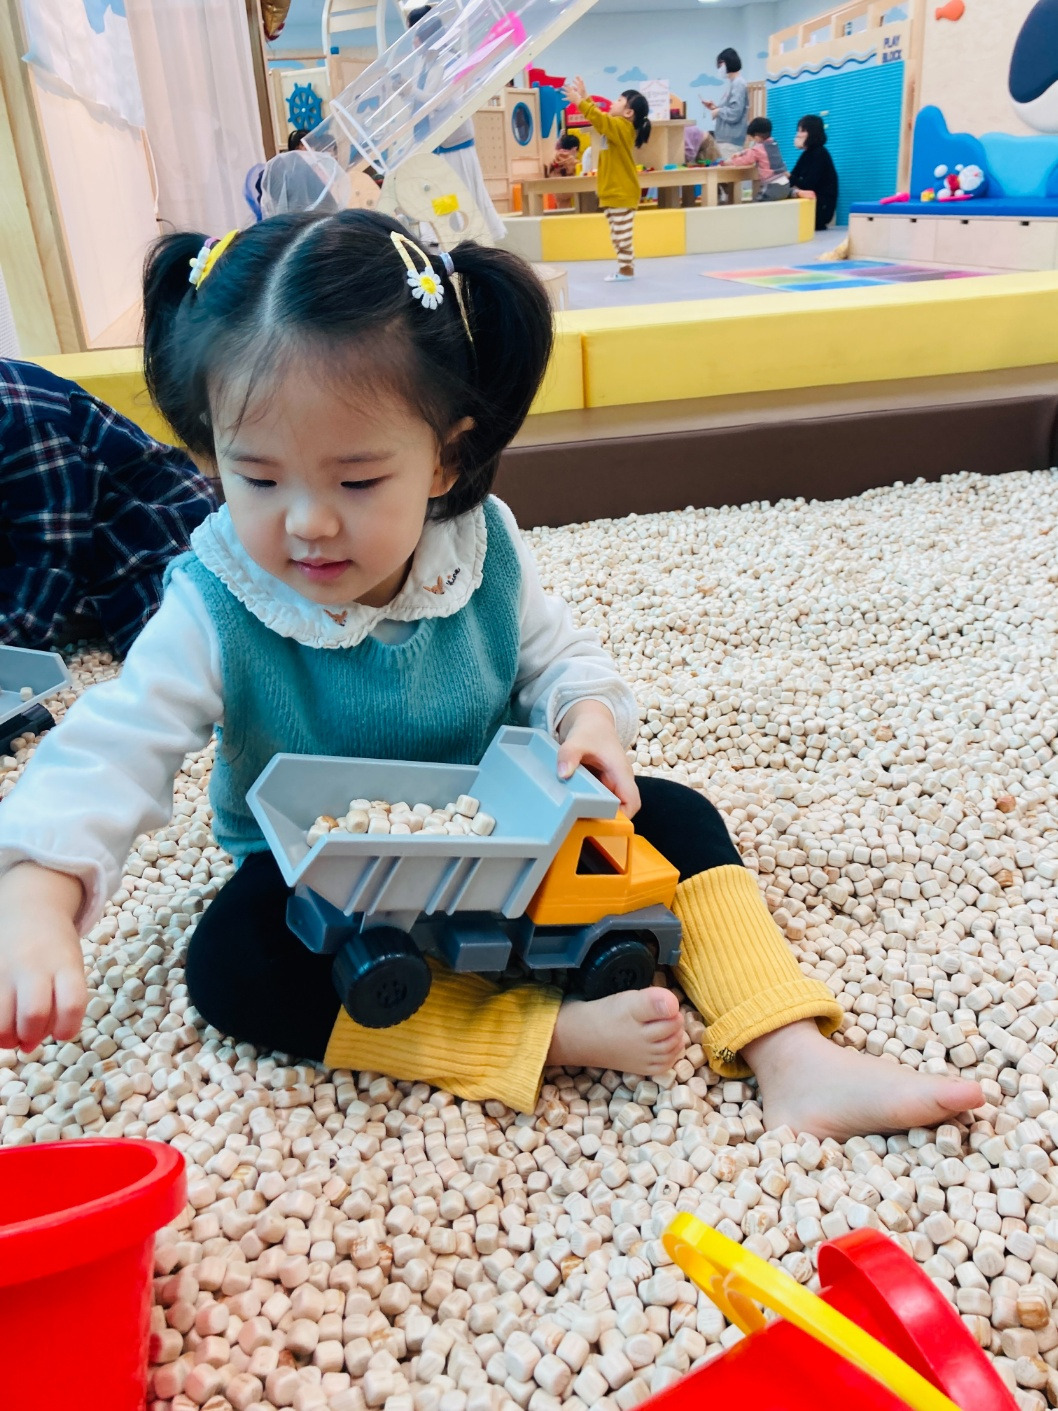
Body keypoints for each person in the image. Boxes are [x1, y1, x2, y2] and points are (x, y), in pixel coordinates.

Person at [0, 209, 984, 1139]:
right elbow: (119, 738)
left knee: (677, 816)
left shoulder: (478, 551)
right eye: (256, 478)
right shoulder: (221, 598)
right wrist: (39, 886)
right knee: (230, 961)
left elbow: (562, 659)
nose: (306, 521)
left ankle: (791, 1050)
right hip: (329, 879)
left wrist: (587, 721)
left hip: (504, 835)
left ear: (443, 460)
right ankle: (542, 1034)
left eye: (356, 480)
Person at [0, 358, 214, 658]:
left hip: (141, 530)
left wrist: (11, 640)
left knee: (173, 646)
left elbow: (50, 558)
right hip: (53, 518)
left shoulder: (22, 422)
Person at [406, 5, 506, 243]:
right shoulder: (423, 62)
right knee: (439, 192)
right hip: (433, 141)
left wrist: (411, 91)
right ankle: (443, 235)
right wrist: (406, 92)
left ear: (425, 34)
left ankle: (472, 237)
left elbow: (441, 101)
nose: (413, 42)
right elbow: (421, 99)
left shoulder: (449, 61)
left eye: (415, 34)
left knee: (463, 192)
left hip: (454, 141)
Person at [564, 78, 650, 283]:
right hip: (613, 191)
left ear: (628, 113)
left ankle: (626, 270)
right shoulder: (616, 127)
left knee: (622, 236)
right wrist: (585, 97)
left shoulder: (622, 127)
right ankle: (625, 268)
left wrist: (580, 102)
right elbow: (600, 119)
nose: (613, 102)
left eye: (619, 100)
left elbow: (599, 119)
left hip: (621, 191)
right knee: (617, 235)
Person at [791, 114, 839, 230]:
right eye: (798, 131)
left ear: (812, 133)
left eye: (802, 131)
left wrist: (788, 176)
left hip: (821, 209)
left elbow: (807, 185)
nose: (798, 135)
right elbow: (794, 177)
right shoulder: (806, 155)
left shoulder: (820, 154)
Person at [726, 116, 791, 201]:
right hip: (785, 183)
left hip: (773, 186)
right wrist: (740, 153)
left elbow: (746, 160)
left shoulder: (758, 149)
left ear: (756, 137)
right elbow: (752, 151)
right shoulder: (774, 143)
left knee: (757, 204)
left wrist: (730, 162)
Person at [702, 48, 748, 156]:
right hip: (726, 140)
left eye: (720, 64)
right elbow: (730, 108)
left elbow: (735, 113)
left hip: (730, 141)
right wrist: (715, 108)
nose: (719, 68)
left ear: (727, 62)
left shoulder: (738, 84)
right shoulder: (733, 84)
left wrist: (718, 111)